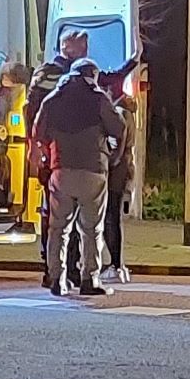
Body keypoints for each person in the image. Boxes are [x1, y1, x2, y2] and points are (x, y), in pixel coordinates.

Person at [31, 59, 125, 296]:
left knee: (58, 228)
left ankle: (56, 278)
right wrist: (113, 156)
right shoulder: (99, 98)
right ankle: (89, 279)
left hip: (61, 170)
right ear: (92, 75)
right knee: (91, 229)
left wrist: (48, 154)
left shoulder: (53, 99)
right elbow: (119, 128)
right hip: (93, 170)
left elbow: (38, 132)